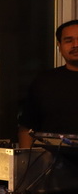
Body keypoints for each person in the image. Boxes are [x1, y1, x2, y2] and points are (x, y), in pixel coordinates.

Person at [18, 19, 78, 148]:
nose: (75, 45)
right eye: (68, 40)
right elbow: (27, 127)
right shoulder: (44, 81)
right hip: (51, 159)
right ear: (59, 46)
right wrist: (26, 158)